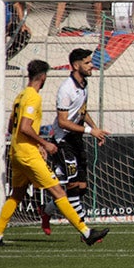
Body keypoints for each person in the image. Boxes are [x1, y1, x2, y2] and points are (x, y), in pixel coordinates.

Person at [0, 59, 109, 247]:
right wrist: (44, 143)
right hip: (27, 155)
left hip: (16, 152)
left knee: (17, 195)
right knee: (58, 191)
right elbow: (25, 127)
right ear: (43, 77)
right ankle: (86, 233)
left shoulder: (20, 96)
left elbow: (13, 127)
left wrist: (36, 145)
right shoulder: (33, 97)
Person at [39, 48, 111, 235]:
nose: (92, 66)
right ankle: (86, 231)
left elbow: (82, 112)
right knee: (71, 186)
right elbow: (63, 122)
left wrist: (96, 130)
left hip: (76, 139)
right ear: (76, 65)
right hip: (63, 142)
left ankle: (46, 212)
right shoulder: (66, 89)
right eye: (87, 63)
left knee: (81, 188)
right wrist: (90, 130)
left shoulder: (83, 84)